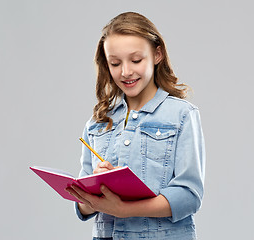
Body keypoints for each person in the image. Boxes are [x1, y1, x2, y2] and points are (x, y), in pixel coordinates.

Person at [66, 12, 206, 240]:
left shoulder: (182, 115)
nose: (126, 72)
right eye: (115, 63)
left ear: (157, 54)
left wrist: (124, 209)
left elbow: (189, 196)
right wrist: (94, 189)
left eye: (136, 60)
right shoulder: (97, 122)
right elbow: (82, 208)